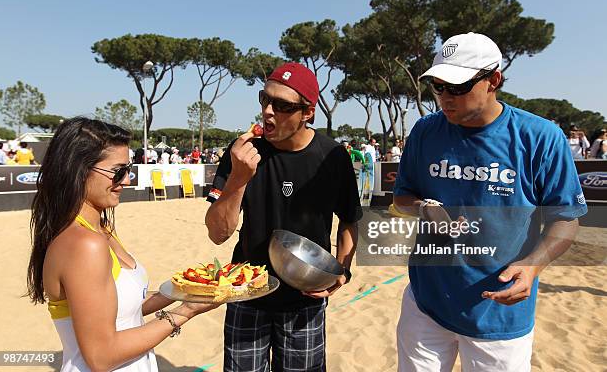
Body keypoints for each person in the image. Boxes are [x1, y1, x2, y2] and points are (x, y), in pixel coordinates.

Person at [392, 32, 587, 372]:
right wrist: (424, 208)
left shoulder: (540, 137)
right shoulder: (425, 131)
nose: (445, 98)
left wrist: (534, 265)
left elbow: (565, 218)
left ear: (494, 79)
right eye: (438, 87)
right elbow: (402, 196)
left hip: (498, 314)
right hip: (425, 306)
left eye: (458, 87)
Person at [26, 117, 219, 371]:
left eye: (129, 169)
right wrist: (186, 311)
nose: (126, 180)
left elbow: (124, 309)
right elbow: (101, 356)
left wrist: (187, 290)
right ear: (79, 170)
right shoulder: (84, 244)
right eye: (118, 171)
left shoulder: (101, 230)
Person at [204, 62, 361, 372]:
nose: (268, 111)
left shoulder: (332, 157)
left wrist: (342, 271)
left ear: (308, 113)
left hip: (305, 298)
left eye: (282, 105)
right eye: (265, 99)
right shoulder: (242, 153)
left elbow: (349, 219)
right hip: (246, 292)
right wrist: (238, 178)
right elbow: (217, 233)